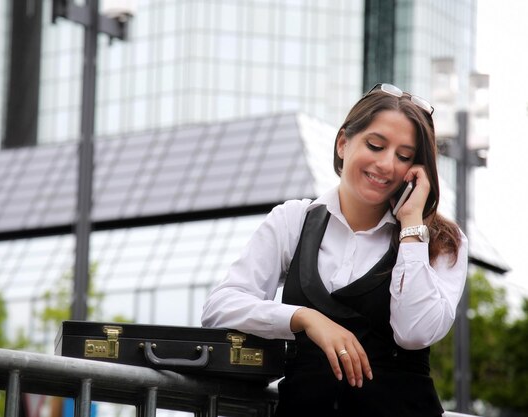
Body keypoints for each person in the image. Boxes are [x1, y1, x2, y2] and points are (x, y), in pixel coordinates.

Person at [201, 83, 468, 417]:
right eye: (375, 145)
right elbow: (219, 307)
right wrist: (303, 318)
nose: (386, 164)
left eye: (404, 157)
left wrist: (412, 224)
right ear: (343, 143)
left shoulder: (442, 240)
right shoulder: (293, 220)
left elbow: (414, 333)